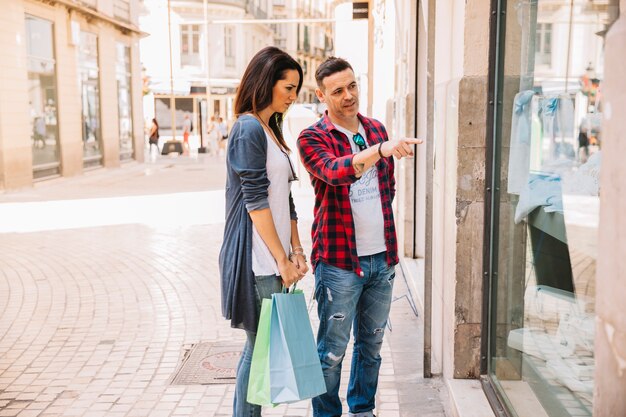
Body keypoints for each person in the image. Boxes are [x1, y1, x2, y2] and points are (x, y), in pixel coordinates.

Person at [297, 57, 422, 417]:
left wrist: (380, 147)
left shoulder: (377, 129)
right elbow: (335, 172)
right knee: (331, 352)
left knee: (372, 346)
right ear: (322, 95)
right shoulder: (313, 137)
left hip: (381, 259)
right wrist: (379, 151)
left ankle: (363, 410)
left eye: (352, 85)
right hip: (338, 263)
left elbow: (388, 188)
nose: (349, 95)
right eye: (338, 91)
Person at [218, 46, 307, 417]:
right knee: (259, 351)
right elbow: (256, 204)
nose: (293, 96)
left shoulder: (271, 130)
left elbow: (284, 199)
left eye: (295, 89)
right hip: (257, 262)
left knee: (262, 350)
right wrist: (282, 259)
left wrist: (297, 250)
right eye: (288, 87)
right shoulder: (247, 129)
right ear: (267, 81)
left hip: (275, 260)